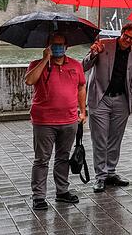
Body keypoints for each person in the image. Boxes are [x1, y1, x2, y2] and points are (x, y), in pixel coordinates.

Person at [24, 32, 87, 210]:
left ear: (66, 47)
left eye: (60, 44)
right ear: (48, 46)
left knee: (63, 157)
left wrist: (83, 111)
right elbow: (29, 81)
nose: (58, 47)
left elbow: (81, 86)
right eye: (54, 44)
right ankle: (38, 196)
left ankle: (62, 191)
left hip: (69, 120)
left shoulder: (75, 65)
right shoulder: (37, 64)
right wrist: (45, 59)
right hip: (44, 121)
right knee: (42, 159)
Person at [82, 23, 132, 193]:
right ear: (121, 33)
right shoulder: (104, 45)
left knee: (115, 139)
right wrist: (94, 53)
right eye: (126, 36)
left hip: (122, 100)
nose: (128, 40)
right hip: (100, 98)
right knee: (100, 139)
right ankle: (100, 176)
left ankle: (111, 172)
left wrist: (131, 101)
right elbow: (83, 66)